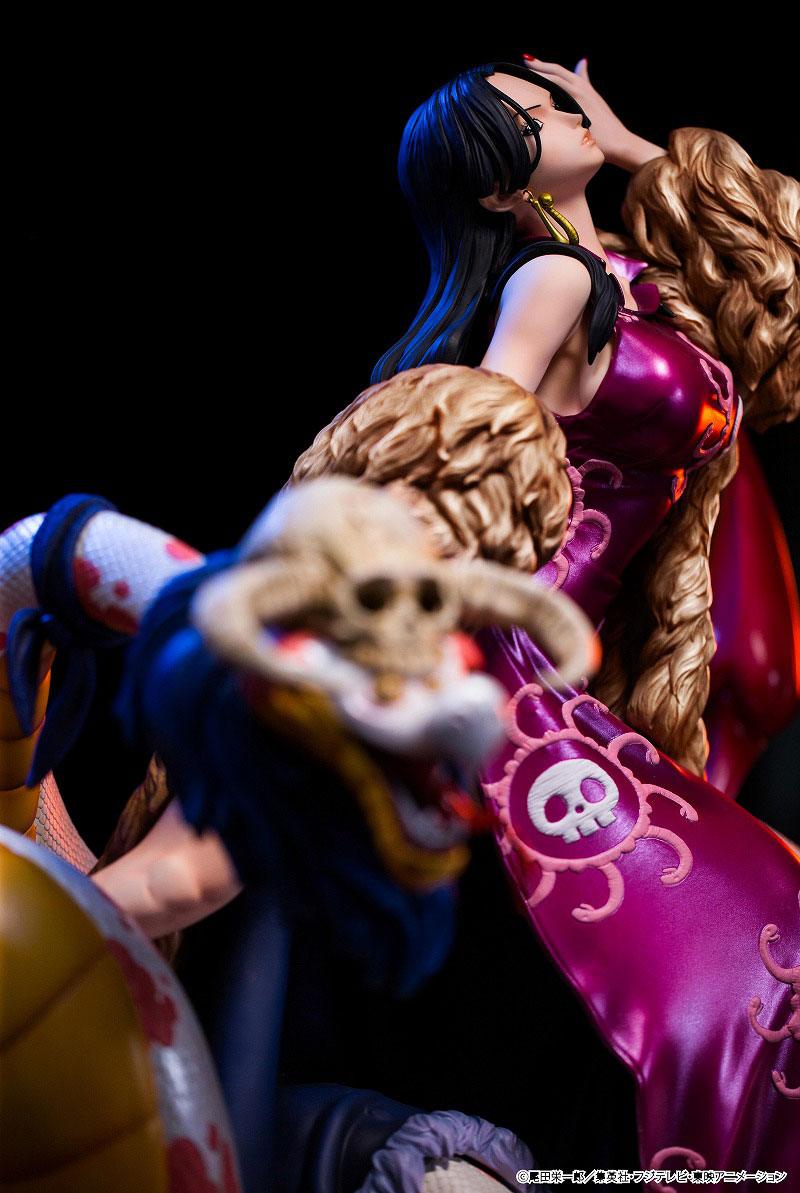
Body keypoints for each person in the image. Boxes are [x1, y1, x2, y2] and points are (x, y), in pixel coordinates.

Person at [292, 58, 800, 1174]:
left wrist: (625, 144)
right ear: (492, 188)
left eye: (556, 100)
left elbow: (769, 273)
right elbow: (482, 424)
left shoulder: (628, 277)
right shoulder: (554, 280)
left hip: (569, 674)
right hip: (510, 660)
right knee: (758, 935)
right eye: (531, 115)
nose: (562, 112)